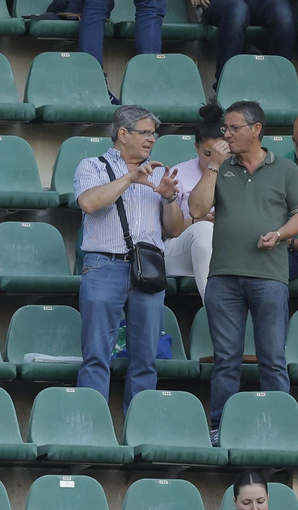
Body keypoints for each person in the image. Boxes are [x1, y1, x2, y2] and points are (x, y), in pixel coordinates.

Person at [189, 101, 298, 437]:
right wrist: (212, 166)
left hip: (270, 276)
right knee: (226, 361)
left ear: (256, 129)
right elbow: (197, 209)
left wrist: (282, 234)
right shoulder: (221, 165)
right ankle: (221, 428)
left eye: (233, 128)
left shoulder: (285, 169)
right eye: (225, 128)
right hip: (224, 277)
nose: (225, 134)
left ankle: (280, 429)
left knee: (273, 360)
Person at [75, 105, 184, 410]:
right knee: (96, 355)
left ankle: (140, 431)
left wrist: (169, 197)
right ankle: (92, 428)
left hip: (147, 268)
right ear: (123, 134)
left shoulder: (161, 171)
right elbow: (89, 203)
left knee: (145, 359)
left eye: (154, 133)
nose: (152, 139)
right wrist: (129, 178)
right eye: (145, 132)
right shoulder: (92, 166)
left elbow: (175, 229)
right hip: (103, 264)